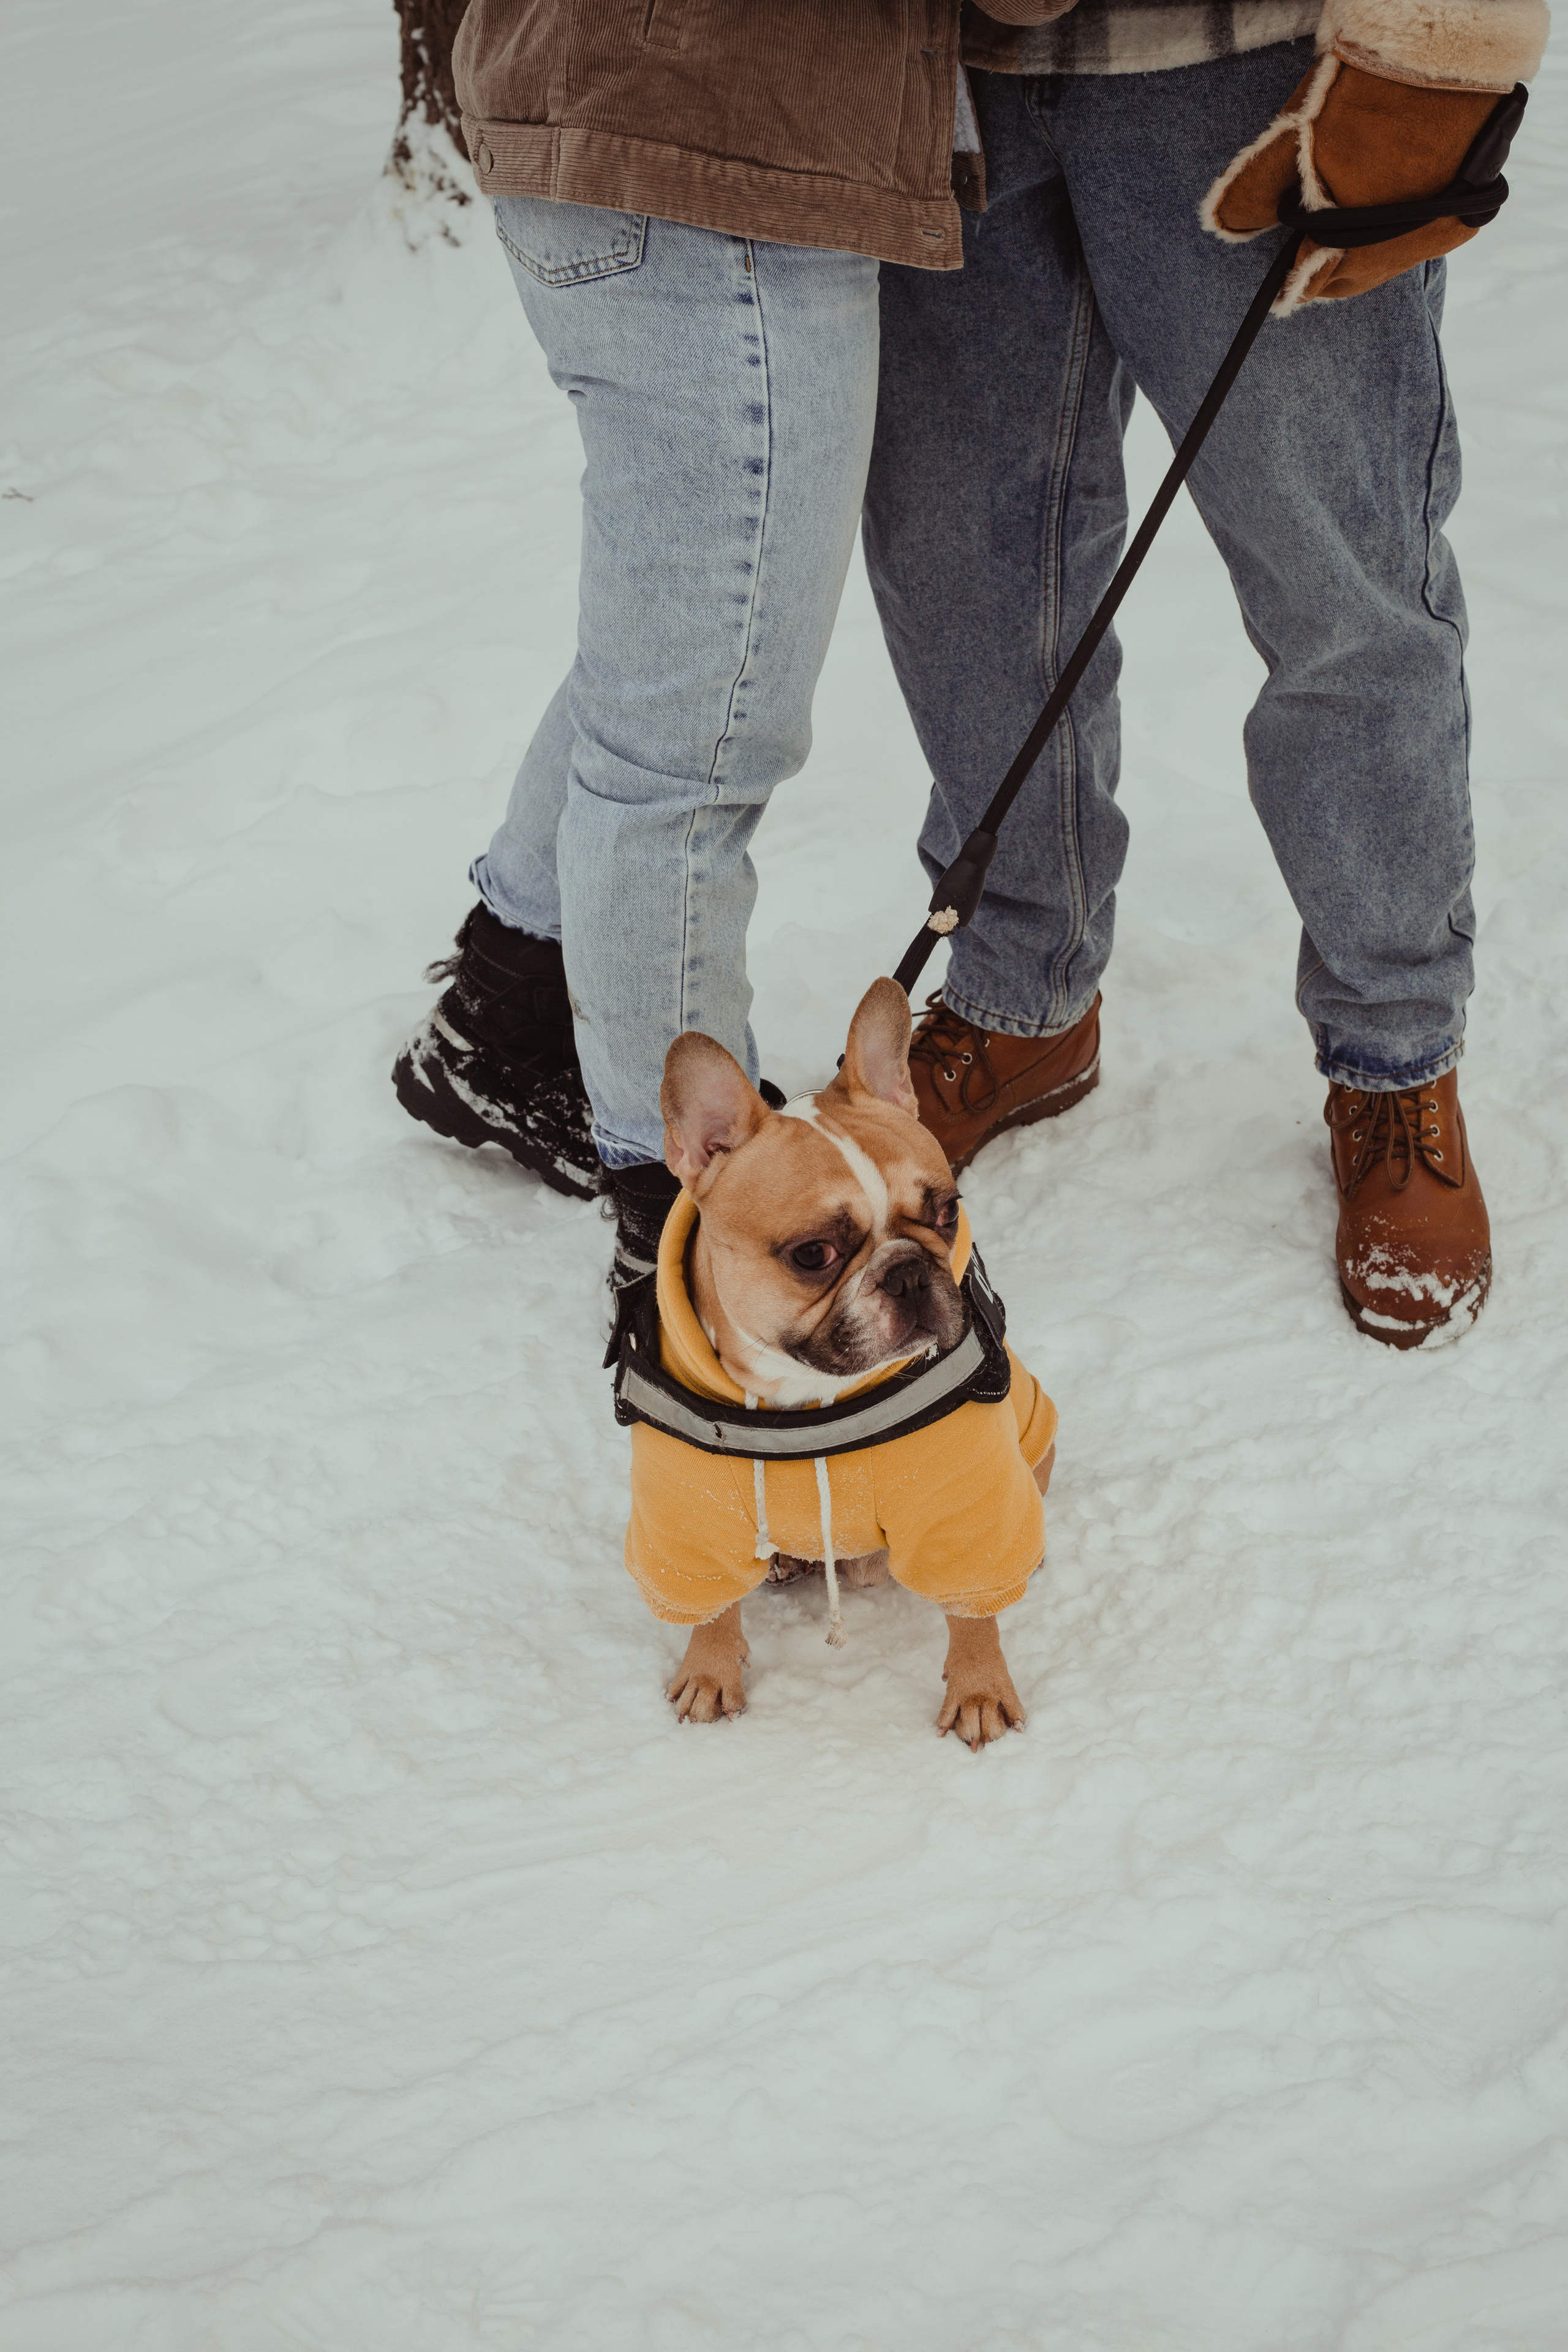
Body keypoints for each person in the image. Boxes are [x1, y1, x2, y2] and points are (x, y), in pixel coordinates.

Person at [861, 0, 1546, 1347]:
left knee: (1339, 589)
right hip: (921, 69)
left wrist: (1442, 36)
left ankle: (1392, 1053)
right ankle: (1018, 999)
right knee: (964, 573)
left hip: (1246, 61)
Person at [393, 1, 990, 1287]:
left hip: (631, 124)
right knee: (698, 728)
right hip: (723, 163)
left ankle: (505, 1011)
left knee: (674, 658)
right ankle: (677, 1240)